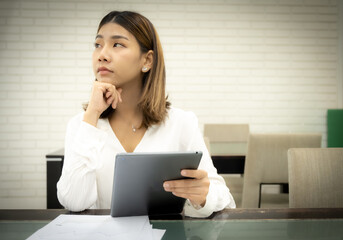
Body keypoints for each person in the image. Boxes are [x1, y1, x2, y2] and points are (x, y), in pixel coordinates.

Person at [57, 10, 235, 218]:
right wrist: (92, 115)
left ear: (147, 61)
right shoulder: (82, 124)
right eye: (98, 44)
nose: (102, 54)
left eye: (117, 44)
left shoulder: (181, 123)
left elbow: (225, 198)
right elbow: (73, 202)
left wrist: (204, 196)